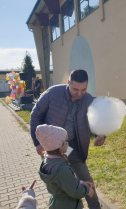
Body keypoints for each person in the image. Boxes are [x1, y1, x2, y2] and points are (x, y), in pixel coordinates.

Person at [30, 69, 104, 209]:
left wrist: (101, 134)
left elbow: (98, 119)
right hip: (52, 148)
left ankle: (95, 207)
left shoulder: (88, 99)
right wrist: (37, 142)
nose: (79, 93)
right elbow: (35, 116)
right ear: (68, 83)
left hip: (71, 148)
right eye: (75, 89)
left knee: (85, 178)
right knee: (61, 185)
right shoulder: (52, 93)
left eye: (83, 89)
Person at [36, 124, 95, 209]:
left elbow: (65, 181)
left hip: (58, 203)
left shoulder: (49, 161)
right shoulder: (61, 169)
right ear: (59, 145)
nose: (68, 144)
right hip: (68, 204)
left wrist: (81, 183)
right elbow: (74, 191)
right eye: (66, 141)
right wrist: (87, 190)